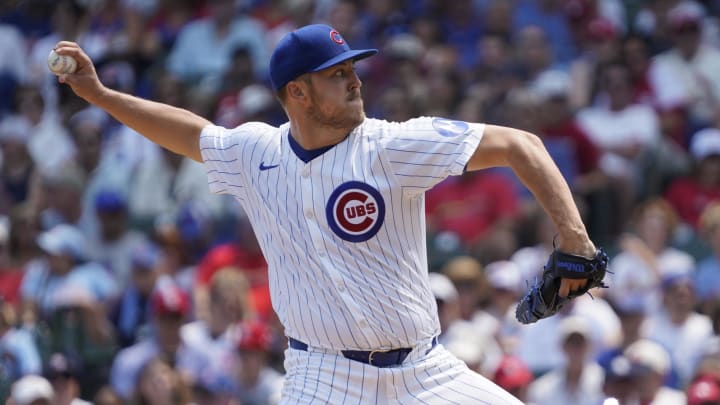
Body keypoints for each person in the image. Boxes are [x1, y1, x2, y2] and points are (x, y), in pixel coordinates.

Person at [53, 23, 600, 403]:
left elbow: (522, 145)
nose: (356, 80)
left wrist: (575, 241)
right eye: (337, 73)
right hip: (323, 376)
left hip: (424, 372)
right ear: (299, 92)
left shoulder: (391, 146)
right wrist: (98, 94)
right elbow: (189, 132)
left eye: (352, 68)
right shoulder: (256, 152)